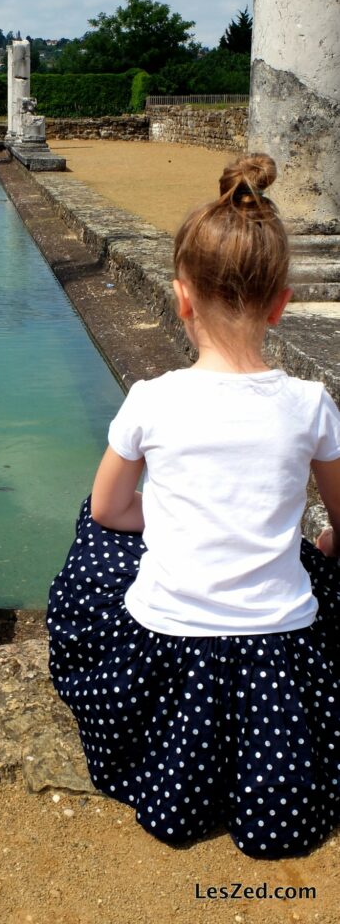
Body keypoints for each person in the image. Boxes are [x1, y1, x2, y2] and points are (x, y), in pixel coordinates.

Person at [47, 153, 340, 858]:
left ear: (181, 297)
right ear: (281, 303)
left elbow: (113, 510)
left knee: (93, 531)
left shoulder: (151, 400)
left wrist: (179, 516)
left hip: (164, 643)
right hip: (281, 648)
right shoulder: (311, 405)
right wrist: (323, 548)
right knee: (313, 551)